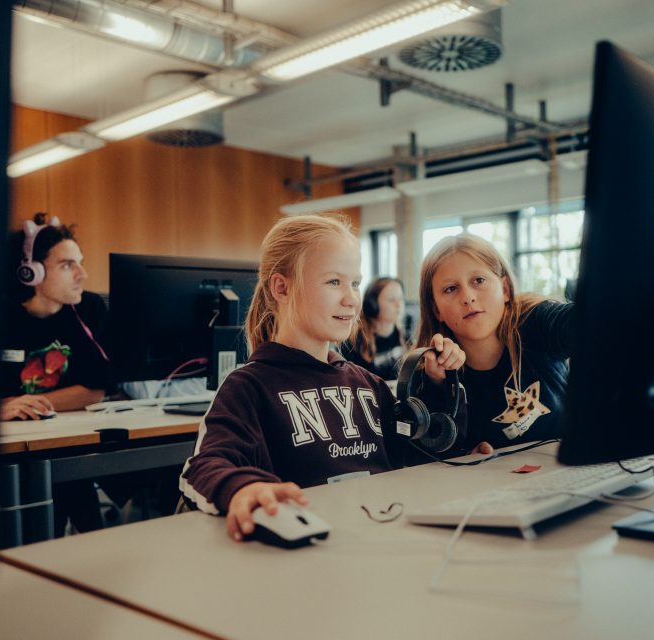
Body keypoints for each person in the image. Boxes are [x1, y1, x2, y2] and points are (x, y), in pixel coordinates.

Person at [179, 214, 466, 542]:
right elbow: (202, 468)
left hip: (380, 539)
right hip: (310, 553)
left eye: (355, 283)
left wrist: (439, 385)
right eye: (334, 282)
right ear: (281, 287)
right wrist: (243, 488)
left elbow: (415, 462)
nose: (351, 298)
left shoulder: (368, 386)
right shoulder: (248, 387)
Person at [0, 212, 111, 535]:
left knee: (75, 488)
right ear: (29, 272)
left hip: (61, 443)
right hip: (7, 456)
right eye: (67, 265)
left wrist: (29, 403)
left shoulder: (88, 309)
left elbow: (94, 389)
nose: (82, 274)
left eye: (80, 262)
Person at [416, 233, 574, 456]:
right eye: (451, 288)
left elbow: (587, 324)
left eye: (478, 281)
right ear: (436, 310)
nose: (468, 297)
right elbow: (428, 457)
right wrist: (462, 458)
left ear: (506, 289)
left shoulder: (536, 321)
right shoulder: (432, 370)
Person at [341, 277, 409, 379]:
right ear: (373, 305)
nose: (398, 305)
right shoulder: (354, 342)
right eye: (391, 300)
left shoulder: (406, 337)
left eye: (401, 299)